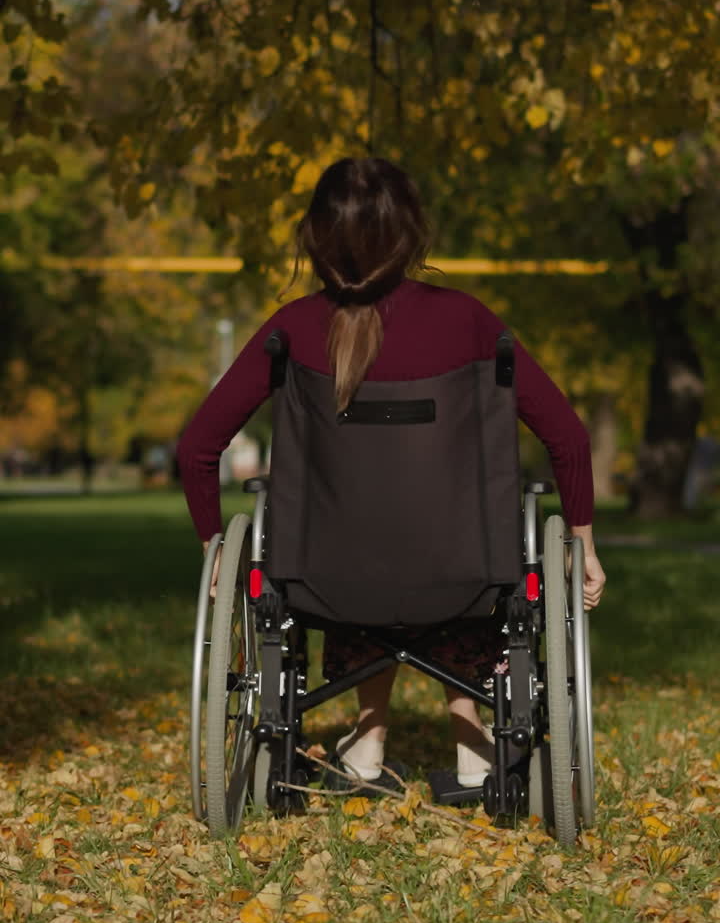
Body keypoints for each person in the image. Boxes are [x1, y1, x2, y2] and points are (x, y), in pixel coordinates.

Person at [177, 157, 606, 789]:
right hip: (466, 574)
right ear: (411, 233)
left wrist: (215, 548)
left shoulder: (292, 328)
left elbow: (197, 448)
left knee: (365, 550)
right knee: (446, 548)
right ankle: (471, 745)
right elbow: (566, 436)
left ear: (316, 237)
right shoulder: (468, 320)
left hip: (326, 576)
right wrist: (585, 544)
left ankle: (367, 743)